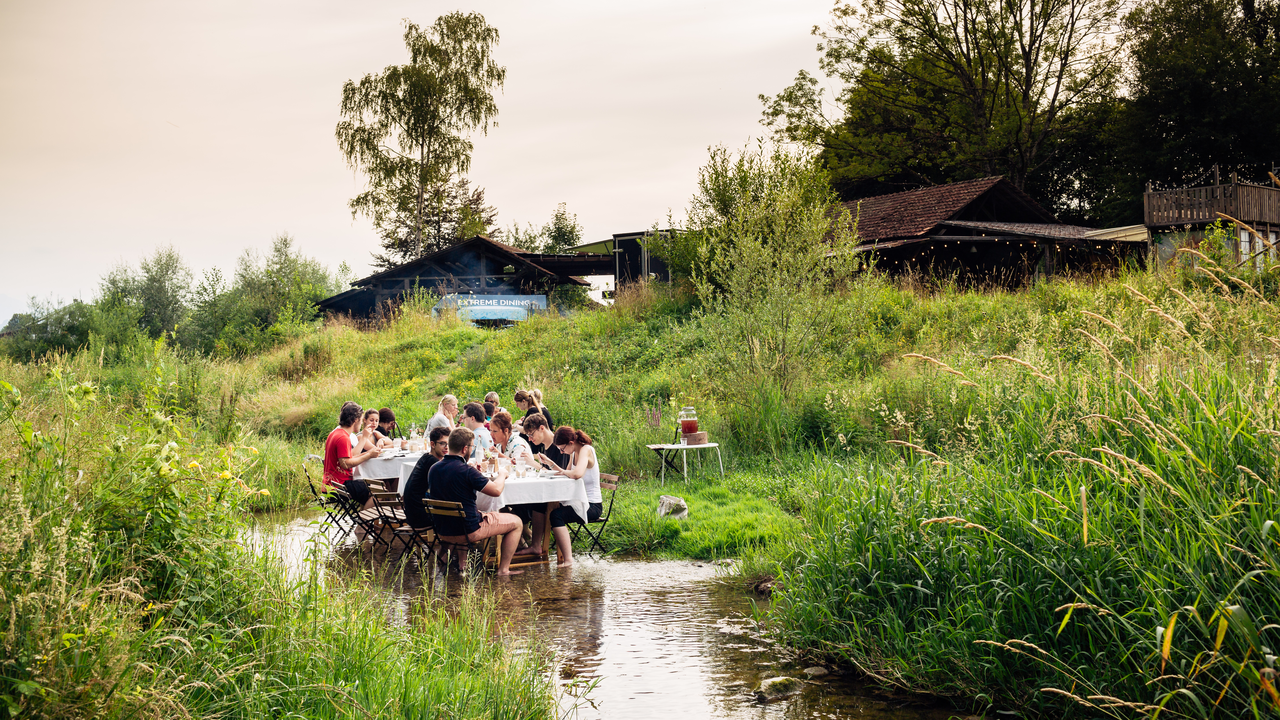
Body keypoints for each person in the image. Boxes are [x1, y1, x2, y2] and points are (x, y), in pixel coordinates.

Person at [427, 427, 524, 576]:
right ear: (465, 448)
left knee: (467, 513)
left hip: (443, 530)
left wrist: (474, 472)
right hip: (468, 530)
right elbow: (497, 491)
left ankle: (462, 566)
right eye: (472, 446)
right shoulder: (466, 471)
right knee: (517, 522)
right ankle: (504, 570)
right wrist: (503, 474)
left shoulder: (433, 468)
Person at [535, 426, 603, 568]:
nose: (561, 452)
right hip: (578, 500)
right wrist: (551, 464)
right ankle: (538, 547)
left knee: (556, 516)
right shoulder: (573, 453)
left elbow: (577, 473)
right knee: (543, 506)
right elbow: (567, 473)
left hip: (592, 505)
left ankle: (568, 560)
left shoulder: (586, 450)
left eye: (562, 448)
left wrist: (560, 470)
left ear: (571, 442)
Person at [323, 401, 381, 508]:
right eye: (361, 419)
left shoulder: (336, 433)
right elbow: (346, 463)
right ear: (355, 420)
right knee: (379, 491)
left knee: (371, 487)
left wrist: (369, 452)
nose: (361, 423)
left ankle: (366, 521)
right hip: (339, 486)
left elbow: (350, 456)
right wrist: (368, 455)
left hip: (332, 483)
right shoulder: (343, 437)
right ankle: (364, 524)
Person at [401, 426, 450, 531]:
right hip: (420, 517)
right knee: (459, 515)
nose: (446, 447)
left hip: (412, 514)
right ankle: (459, 545)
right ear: (432, 444)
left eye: (449, 443)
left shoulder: (426, 457)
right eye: (442, 443)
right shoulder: (433, 463)